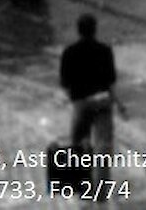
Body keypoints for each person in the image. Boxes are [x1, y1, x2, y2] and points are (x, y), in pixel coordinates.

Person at [60, 13, 127, 196]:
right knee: (104, 144)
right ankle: (102, 191)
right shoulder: (105, 50)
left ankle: (83, 185)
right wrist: (119, 104)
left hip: (81, 103)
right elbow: (110, 81)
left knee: (78, 143)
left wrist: (73, 99)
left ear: (78, 30)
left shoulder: (69, 52)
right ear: (95, 29)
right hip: (103, 101)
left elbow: (65, 83)